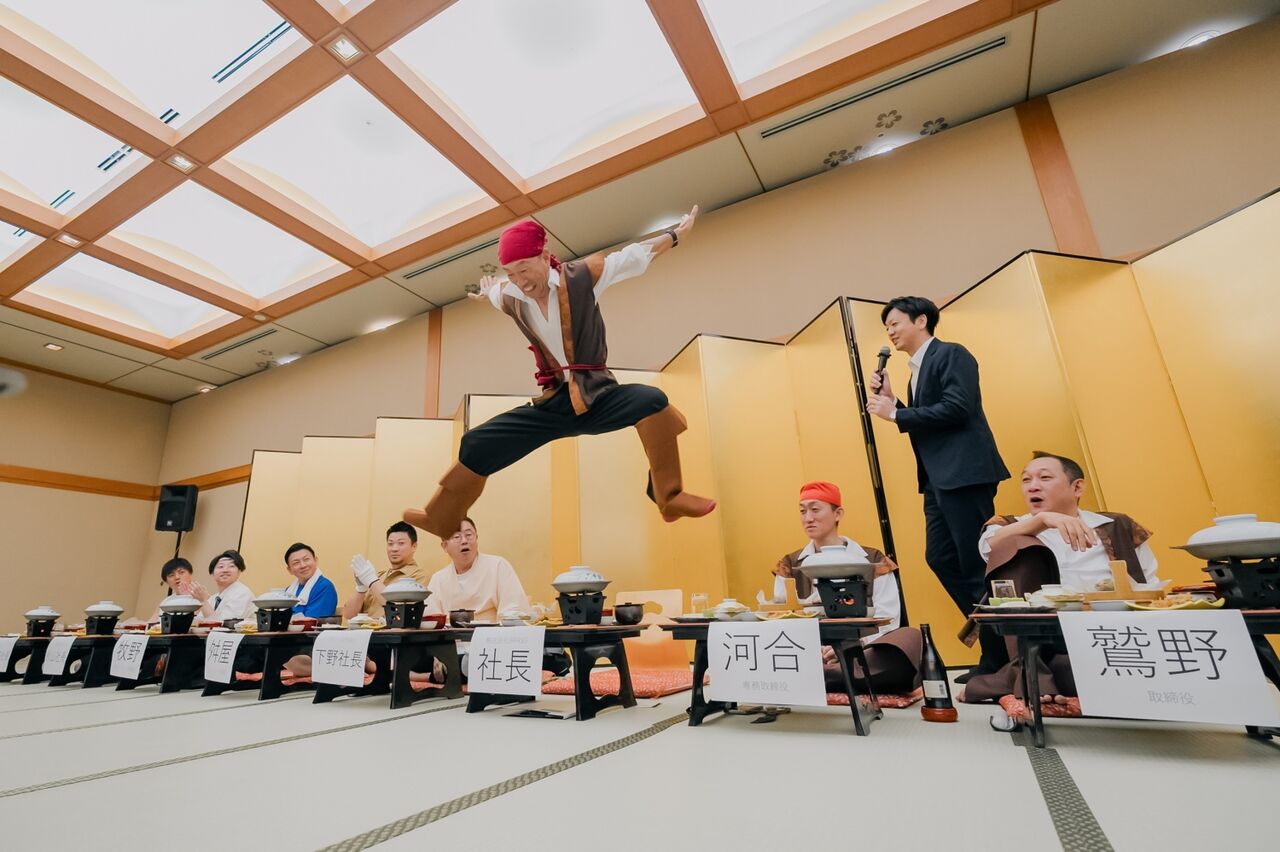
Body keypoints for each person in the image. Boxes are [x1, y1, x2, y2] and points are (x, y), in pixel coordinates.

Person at [404, 212, 715, 539]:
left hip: (597, 397)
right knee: (476, 442)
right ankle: (440, 517)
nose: (520, 281)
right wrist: (487, 292)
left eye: (524, 269)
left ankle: (668, 496)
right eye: (511, 273)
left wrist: (675, 235)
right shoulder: (512, 296)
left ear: (544, 255)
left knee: (652, 401)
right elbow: (496, 292)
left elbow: (633, 256)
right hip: (553, 405)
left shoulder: (582, 278)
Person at [865, 295, 1009, 681]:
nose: (890, 331)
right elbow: (927, 418)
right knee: (941, 557)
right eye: (886, 327)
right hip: (937, 480)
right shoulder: (917, 370)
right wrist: (894, 400)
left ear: (921, 320)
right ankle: (997, 644)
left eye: (895, 323)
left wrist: (897, 413)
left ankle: (999, 656)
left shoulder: (951, 354)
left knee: (975, 563)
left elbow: (959, 407)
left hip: (965, 474)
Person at [960, 452, 1160, 710]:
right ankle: (1032, 670)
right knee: (1016, 545)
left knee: (1088, 672)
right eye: (1026, 480)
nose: (1032, 486)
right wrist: (1042, 521)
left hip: (1108, 633)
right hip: (1038, 637)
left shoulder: (1117, 525)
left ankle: (1017, 678)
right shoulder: (1009, 526)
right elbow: (988, 547)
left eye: (1044, 478)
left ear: (1077, 487)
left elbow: (1148, 582)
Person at [773, 481, 921, 694]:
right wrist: (814, 648)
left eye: (815, 509)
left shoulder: (873, 560)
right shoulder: (790, 564)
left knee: (910, 637)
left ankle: (824, 677)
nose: (808, 518)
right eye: (802, 511)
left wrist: (851, 645)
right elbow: (781, 619)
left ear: (838, 513)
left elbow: (889, 620)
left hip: (862, 652)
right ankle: (838, 676)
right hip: (810, 654)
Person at [425, 517, 569, 680]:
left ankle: (447, 673)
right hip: (454, 649)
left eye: (469, 535)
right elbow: (432, 623)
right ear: (444, 546)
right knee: (415, 657)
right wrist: (438, 654)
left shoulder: (497, 566)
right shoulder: (438, 579)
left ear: (477, 538)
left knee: (550, 652)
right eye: (456, 537)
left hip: (494, 647)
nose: (464, 541)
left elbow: (513, 614)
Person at [342, 522, 426, 620]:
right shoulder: (378, 576)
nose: (394, 549)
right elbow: (348, 615)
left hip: (390, 629)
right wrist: (361, 589)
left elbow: (400, 613)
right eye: (390, 544)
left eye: (401, 543)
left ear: (414, 546)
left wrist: (372, 580)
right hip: (364, 629)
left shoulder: (419, 576)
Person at [191, 550, 255, 623]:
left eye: (231, 566)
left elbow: (222, 624)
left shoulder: (242, 593)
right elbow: (199, 621)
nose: (225, 570)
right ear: (212, 573)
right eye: (221, 566)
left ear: (239, 572)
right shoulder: (214, 598)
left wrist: (203, 601)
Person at [282, 542, 337, 618]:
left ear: (315, 560)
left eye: (306, 559)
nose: (303, 565)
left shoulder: (324, 587)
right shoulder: (289, 591)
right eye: (296, 563)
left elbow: (311, 621)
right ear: (289, 570)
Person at [149, 557, 196, 622]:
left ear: (190, 573)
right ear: (166, 582)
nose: (177, 577)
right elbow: (150, 624)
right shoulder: (165, 602)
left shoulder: (200, 597)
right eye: (171, 575)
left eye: (181, 572)